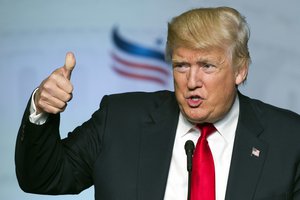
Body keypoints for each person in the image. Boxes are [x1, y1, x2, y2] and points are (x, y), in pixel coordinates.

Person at [15, 6, 300, 200]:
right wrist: (41, 109)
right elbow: (42, 178)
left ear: (240, 70)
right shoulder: (119, 120)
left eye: (207, 66)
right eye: (181, 66)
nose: (191, 81)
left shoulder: (289, 138)